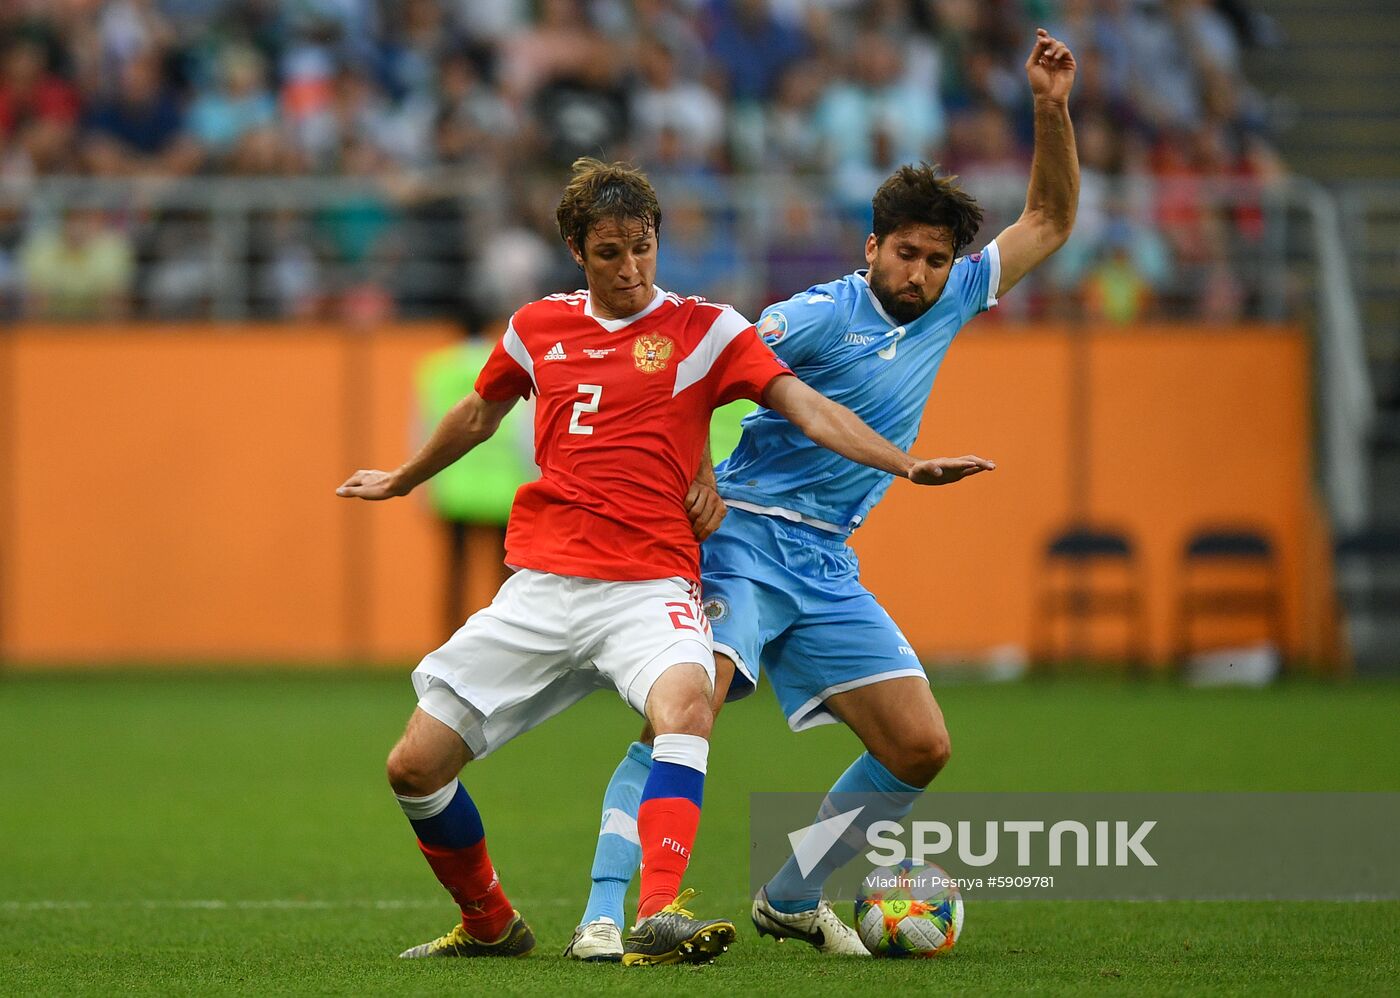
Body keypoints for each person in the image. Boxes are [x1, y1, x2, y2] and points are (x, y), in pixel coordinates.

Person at [336, 157, 996, 966]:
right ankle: (490, 924)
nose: (630, 268)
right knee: (413, 767)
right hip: (542, 585)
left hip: (651, 587)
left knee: (687, 711)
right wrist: (403, 479)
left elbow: (803, 405)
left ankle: (657, 910)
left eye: (643, 248)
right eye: (610, 252)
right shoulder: (538, 326)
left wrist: (904, 465)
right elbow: (479, 409)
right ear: (577, 250)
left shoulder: (706, 328)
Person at [570, 29, 1078, 961]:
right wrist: (700, 474)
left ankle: (791, 894)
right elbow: (698, 373)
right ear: (872, 244)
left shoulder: (960, 296)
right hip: (746, 543)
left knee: (920, 748)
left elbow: (1046, 222)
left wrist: (1050, 110)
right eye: (907, 254)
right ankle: (608, 911)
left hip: (828, 562)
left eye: (936, 259)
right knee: (685, 710)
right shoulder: (812, 317)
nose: (921, 274)